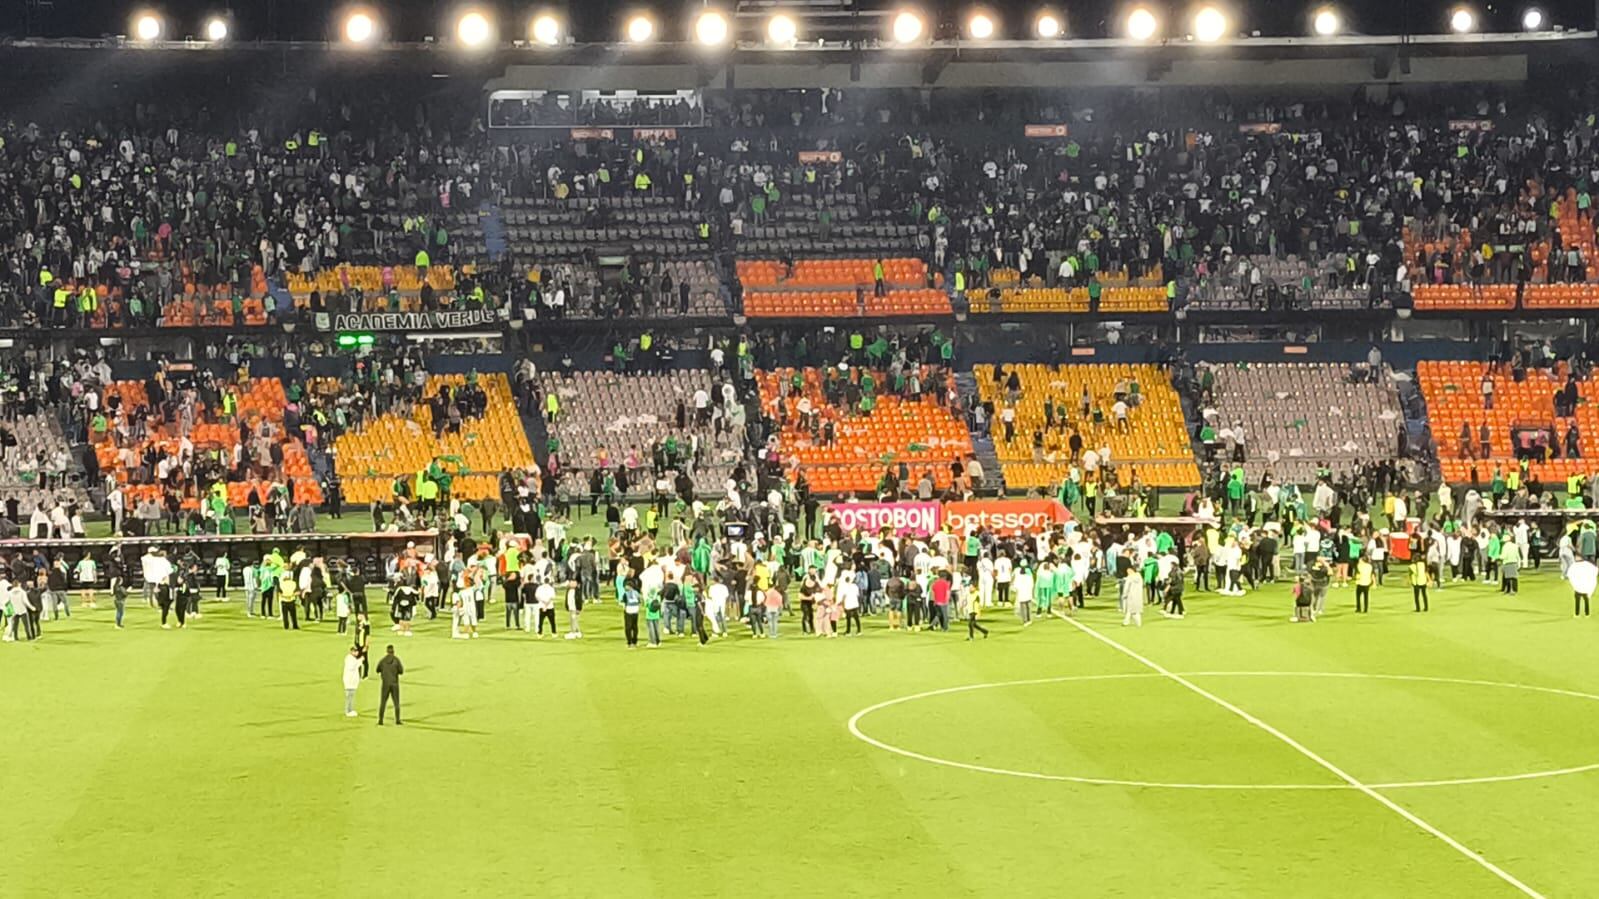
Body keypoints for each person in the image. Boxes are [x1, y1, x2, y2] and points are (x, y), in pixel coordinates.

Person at [376, 645, 404, 725]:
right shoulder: (396, 660)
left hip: (385, 684)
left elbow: (377, 669)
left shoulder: (383, 660)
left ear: (387, 651)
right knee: (396, 703)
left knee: (383, 702)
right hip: (394, 683)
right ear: (393, 651)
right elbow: (401, 671)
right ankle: (397, 720)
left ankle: (380, 720)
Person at [342, 646, 363, 718]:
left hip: (352, 681)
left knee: (351, 696)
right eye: (355, 651)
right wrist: (360, 660)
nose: (356, 652)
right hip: (349, 681)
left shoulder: (353, 659)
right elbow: (352, 666)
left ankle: (350, 709)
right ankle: (348, 711)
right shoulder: (349, 659)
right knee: (349, 696)